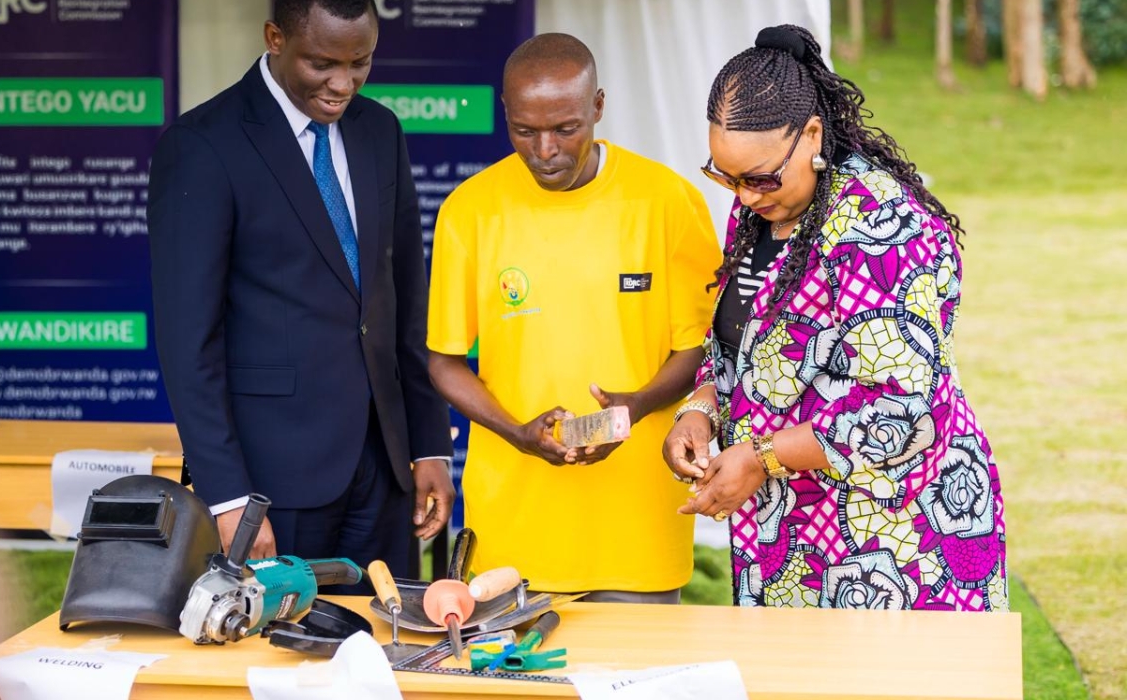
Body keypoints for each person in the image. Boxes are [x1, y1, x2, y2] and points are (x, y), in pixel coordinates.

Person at [663, 25, 1007, 611]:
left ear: (813, 135)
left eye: (759, 176)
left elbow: (896, 406)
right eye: (727, 177)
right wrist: (699, 411)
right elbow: (745, 351)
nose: (743, 195)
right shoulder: (760, 217)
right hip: (790, 535)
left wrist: (759, 456)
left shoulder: (879, 226)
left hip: (893, 540)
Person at [147, 0, 453, 583]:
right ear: (274, 38)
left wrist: (429, 445)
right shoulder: (202, 145)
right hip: (270, 479)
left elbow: (406, 300)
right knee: (277, 657)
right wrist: (228, 495)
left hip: (385, 468)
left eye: (360, 63)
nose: (343, 84)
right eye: (322, 64)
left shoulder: (380, 130)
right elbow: (190, 343)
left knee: (386, 648)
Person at [426, 33, 720, 603]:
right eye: (525, 131)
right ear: (505, 111)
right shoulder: (469, 210)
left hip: (636, 525)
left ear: (599, 107)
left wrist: (635, 404)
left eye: (565, 128)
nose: (545, 150)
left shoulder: (666, 201)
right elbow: (443, 360)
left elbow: (703, 348)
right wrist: (518, 433)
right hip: (515, 529)